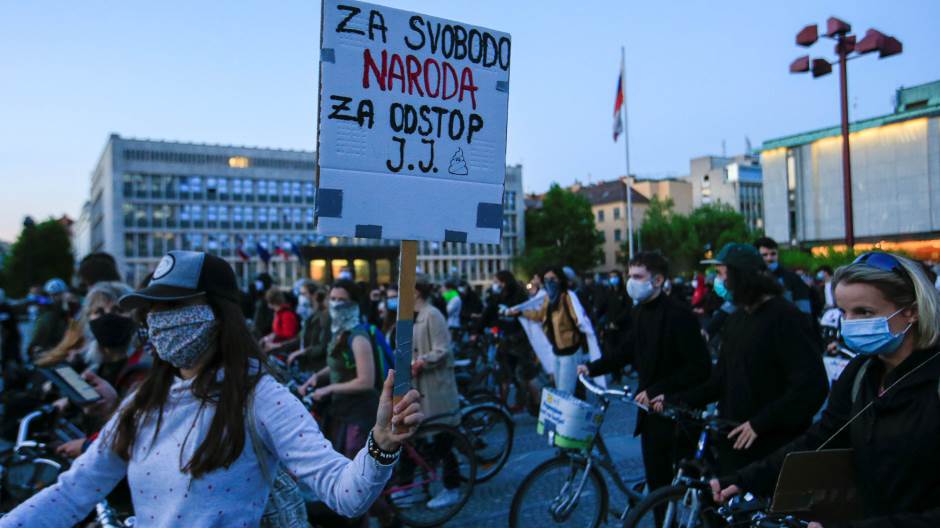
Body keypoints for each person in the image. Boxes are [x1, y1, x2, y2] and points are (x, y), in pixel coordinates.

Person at [0, 251, 424, 527]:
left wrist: (381, 445)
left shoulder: (262, 397)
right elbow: (72, 492)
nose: (159, 320)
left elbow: (343, 493)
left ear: (217, 313)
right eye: (154, 308)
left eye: (175, 306)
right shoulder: (142, 403)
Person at [712, 252, 940, 527]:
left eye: (864, 312)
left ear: (911, 312)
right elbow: (821, 438)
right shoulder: (862, 372)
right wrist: (745, 478)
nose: (850, 323)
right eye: (844, 312)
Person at [655, 243, 829, 474]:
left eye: (720, 274)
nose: (716, 281)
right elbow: (720, 381)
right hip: (733, 440)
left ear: (741, 277)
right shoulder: (736, 319)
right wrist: (675, 399)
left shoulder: (786, 318)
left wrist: (761, 423)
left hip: (771, 450)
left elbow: (810, 387)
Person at [579, 252, 711, 499]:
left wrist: (658, 390)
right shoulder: (639, 311)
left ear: (658, 280)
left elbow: (699, 368)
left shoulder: (679, 315)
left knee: (685, 488)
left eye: (638, 276)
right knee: (656, 482)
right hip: (650, 413)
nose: (631, 282)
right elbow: (628, 350)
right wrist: (593, 367)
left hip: (677, 413)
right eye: (630, 276)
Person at [400, 280, 462, 509]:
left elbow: (442, 349)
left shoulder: (433, 314)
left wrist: (422, 361)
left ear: (416, 291)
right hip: (419, 386)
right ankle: (417, 486)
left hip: (435, 387)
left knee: (442, 439)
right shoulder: (413, 314)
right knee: (419, 438)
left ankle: (452, 487)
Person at [518, 267, 589, 394]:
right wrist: (520, 312)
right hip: (556, 351)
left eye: (553, 278)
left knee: (564, 392)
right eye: (546, 279)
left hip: (570, 350)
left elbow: (580, 320)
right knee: (560, 390)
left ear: (560, 279)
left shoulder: (567, 297)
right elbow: (540, 315)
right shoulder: (548, 299)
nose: (549, 282)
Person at [480, 270, 541, 412]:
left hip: (517, 340)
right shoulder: (502, 296)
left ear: (504, 282)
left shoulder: (516, 296)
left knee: (523, 375)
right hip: (509, 340)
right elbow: (490, 312)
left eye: (497, 282)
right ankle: (505, 406)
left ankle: (534, 404)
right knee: (510, 376)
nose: (495, 285)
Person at [754, 237, 813, 316]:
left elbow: (804, 309)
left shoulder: (792, 278)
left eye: (773, 254)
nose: (769, 258)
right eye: (765, 255)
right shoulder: (752, 278)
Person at [287, 282, 331, 373]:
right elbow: (300, 338)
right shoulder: (310, 315)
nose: (301, 297)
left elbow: (322, 347)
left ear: (314, 295)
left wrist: (303, 352)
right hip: (308, 366)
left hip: (317, 367)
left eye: (303, 294)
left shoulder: (324, 317)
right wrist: (279, 346)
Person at [28, 277, 71, 357]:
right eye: (51, 295)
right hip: (50, 351)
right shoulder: (47, 314)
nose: (54, 298)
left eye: (57, 294)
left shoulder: (71, 309)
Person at [260, 288, 300, 352]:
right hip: (277, 346)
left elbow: (289, 335)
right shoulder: (278, 313)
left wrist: (274, 338)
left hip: (283, 350)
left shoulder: (286, 314)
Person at [251, 272, 275, 338]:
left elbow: (261, 322)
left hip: (263, 336)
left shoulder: (265, 300)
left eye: (258, 282)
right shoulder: (261, 297)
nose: (256, 284)